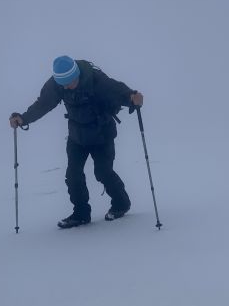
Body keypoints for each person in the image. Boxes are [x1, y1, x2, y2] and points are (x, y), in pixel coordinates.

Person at [9, 56, 144, 229]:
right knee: (73, 175)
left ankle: (121, 203)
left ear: (77, 75)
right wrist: (23, 118)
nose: (66, 86)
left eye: (69, 82)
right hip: (77, 136)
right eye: (62, 83)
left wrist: (132, 97)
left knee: (102, 172)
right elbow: (43, 104)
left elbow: (117, 90)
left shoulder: (96, 80)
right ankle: (81, 214)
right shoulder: (57, 84)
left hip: (102, 133)